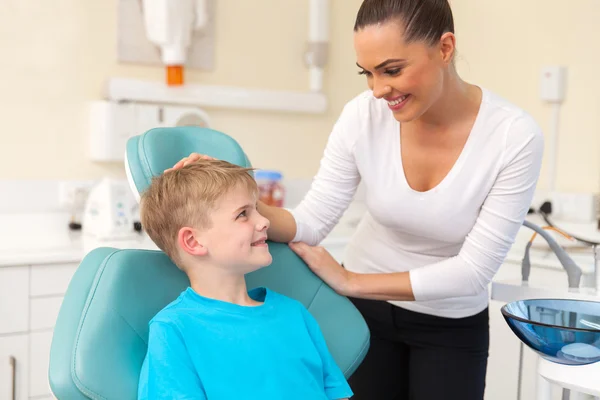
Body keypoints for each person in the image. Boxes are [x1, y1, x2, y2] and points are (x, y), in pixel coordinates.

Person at [170, 0, 544, 398]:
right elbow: (311, 220)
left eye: (392, 70)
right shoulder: (362, 116)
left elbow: (471, 272)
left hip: (447, 323)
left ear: (445, 48)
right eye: (367, 73)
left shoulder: (513, 137)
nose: (379, 90)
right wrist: (235, 195)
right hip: (363, 319)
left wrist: (350, 281)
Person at [137, 160, 352, 400]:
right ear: (193, 241)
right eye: (243, 214)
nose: (265, 221)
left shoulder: (294, 313)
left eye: (258, 209)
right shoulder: (173, 330)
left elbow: (337, 395)